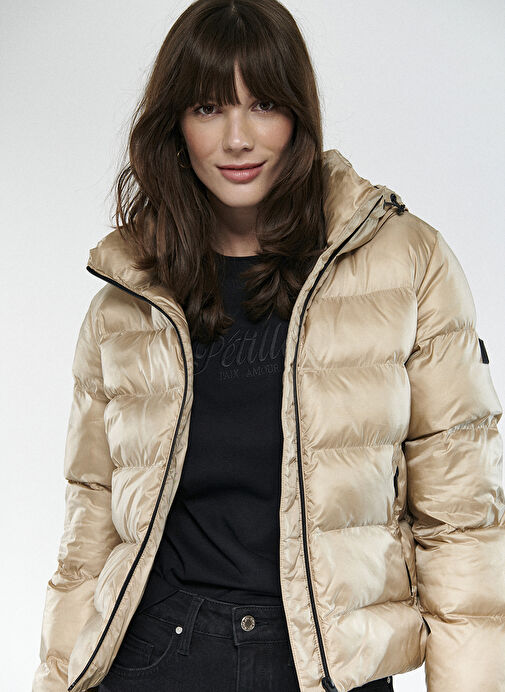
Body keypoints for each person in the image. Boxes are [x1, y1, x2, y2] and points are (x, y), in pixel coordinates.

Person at [32, 0, 505, 691]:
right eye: (207, 108)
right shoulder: (129, 294)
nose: (237, 138)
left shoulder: (404, 263)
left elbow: (461, 519)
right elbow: (90, 525)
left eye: (263, 105)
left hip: (327, 667)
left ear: (298, 116)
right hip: (156, 656)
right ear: (175, 125)